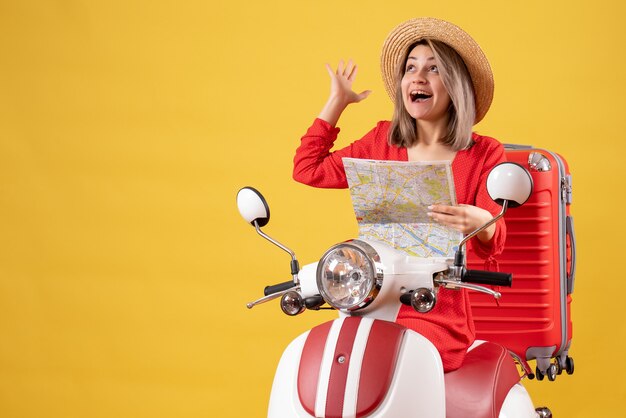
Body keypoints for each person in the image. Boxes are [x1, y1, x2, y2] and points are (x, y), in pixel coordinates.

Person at [292, 17, 506, 372]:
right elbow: (308, 169)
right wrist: (337, 102)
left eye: (433, 69)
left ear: (456, 86)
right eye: (411, 68)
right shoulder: (382, 140)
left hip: (436, 310)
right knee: (334, 355)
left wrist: (481, 221)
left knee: (389, 359)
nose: (418, 77)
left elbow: (492, 240)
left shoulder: (484, 153)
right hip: (371, 298)